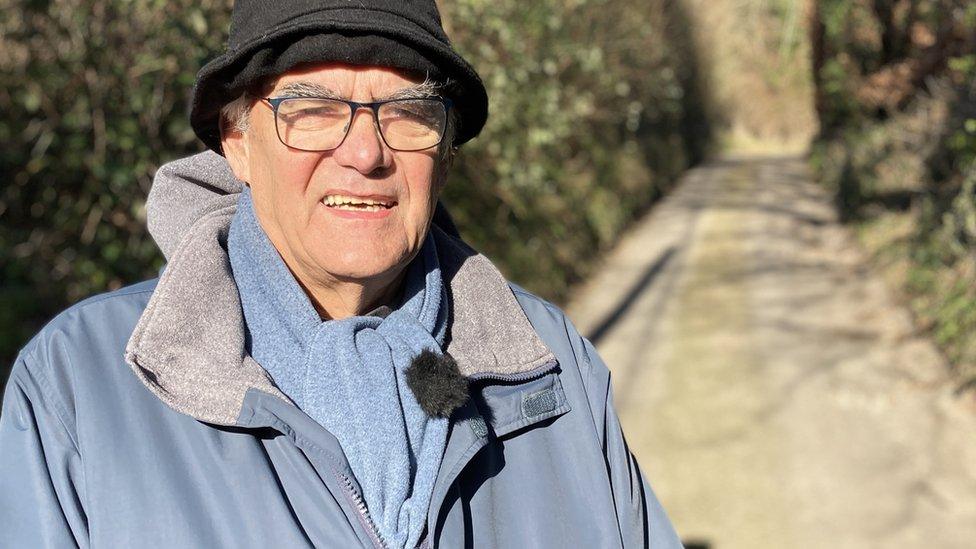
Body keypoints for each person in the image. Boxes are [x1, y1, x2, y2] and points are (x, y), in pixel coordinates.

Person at [0, 1, 682, 547]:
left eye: (409, 113)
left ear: (442, 155)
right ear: (236, 141)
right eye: (313, 109)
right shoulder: (78, 394)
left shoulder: (550, 371)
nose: (365, 151)